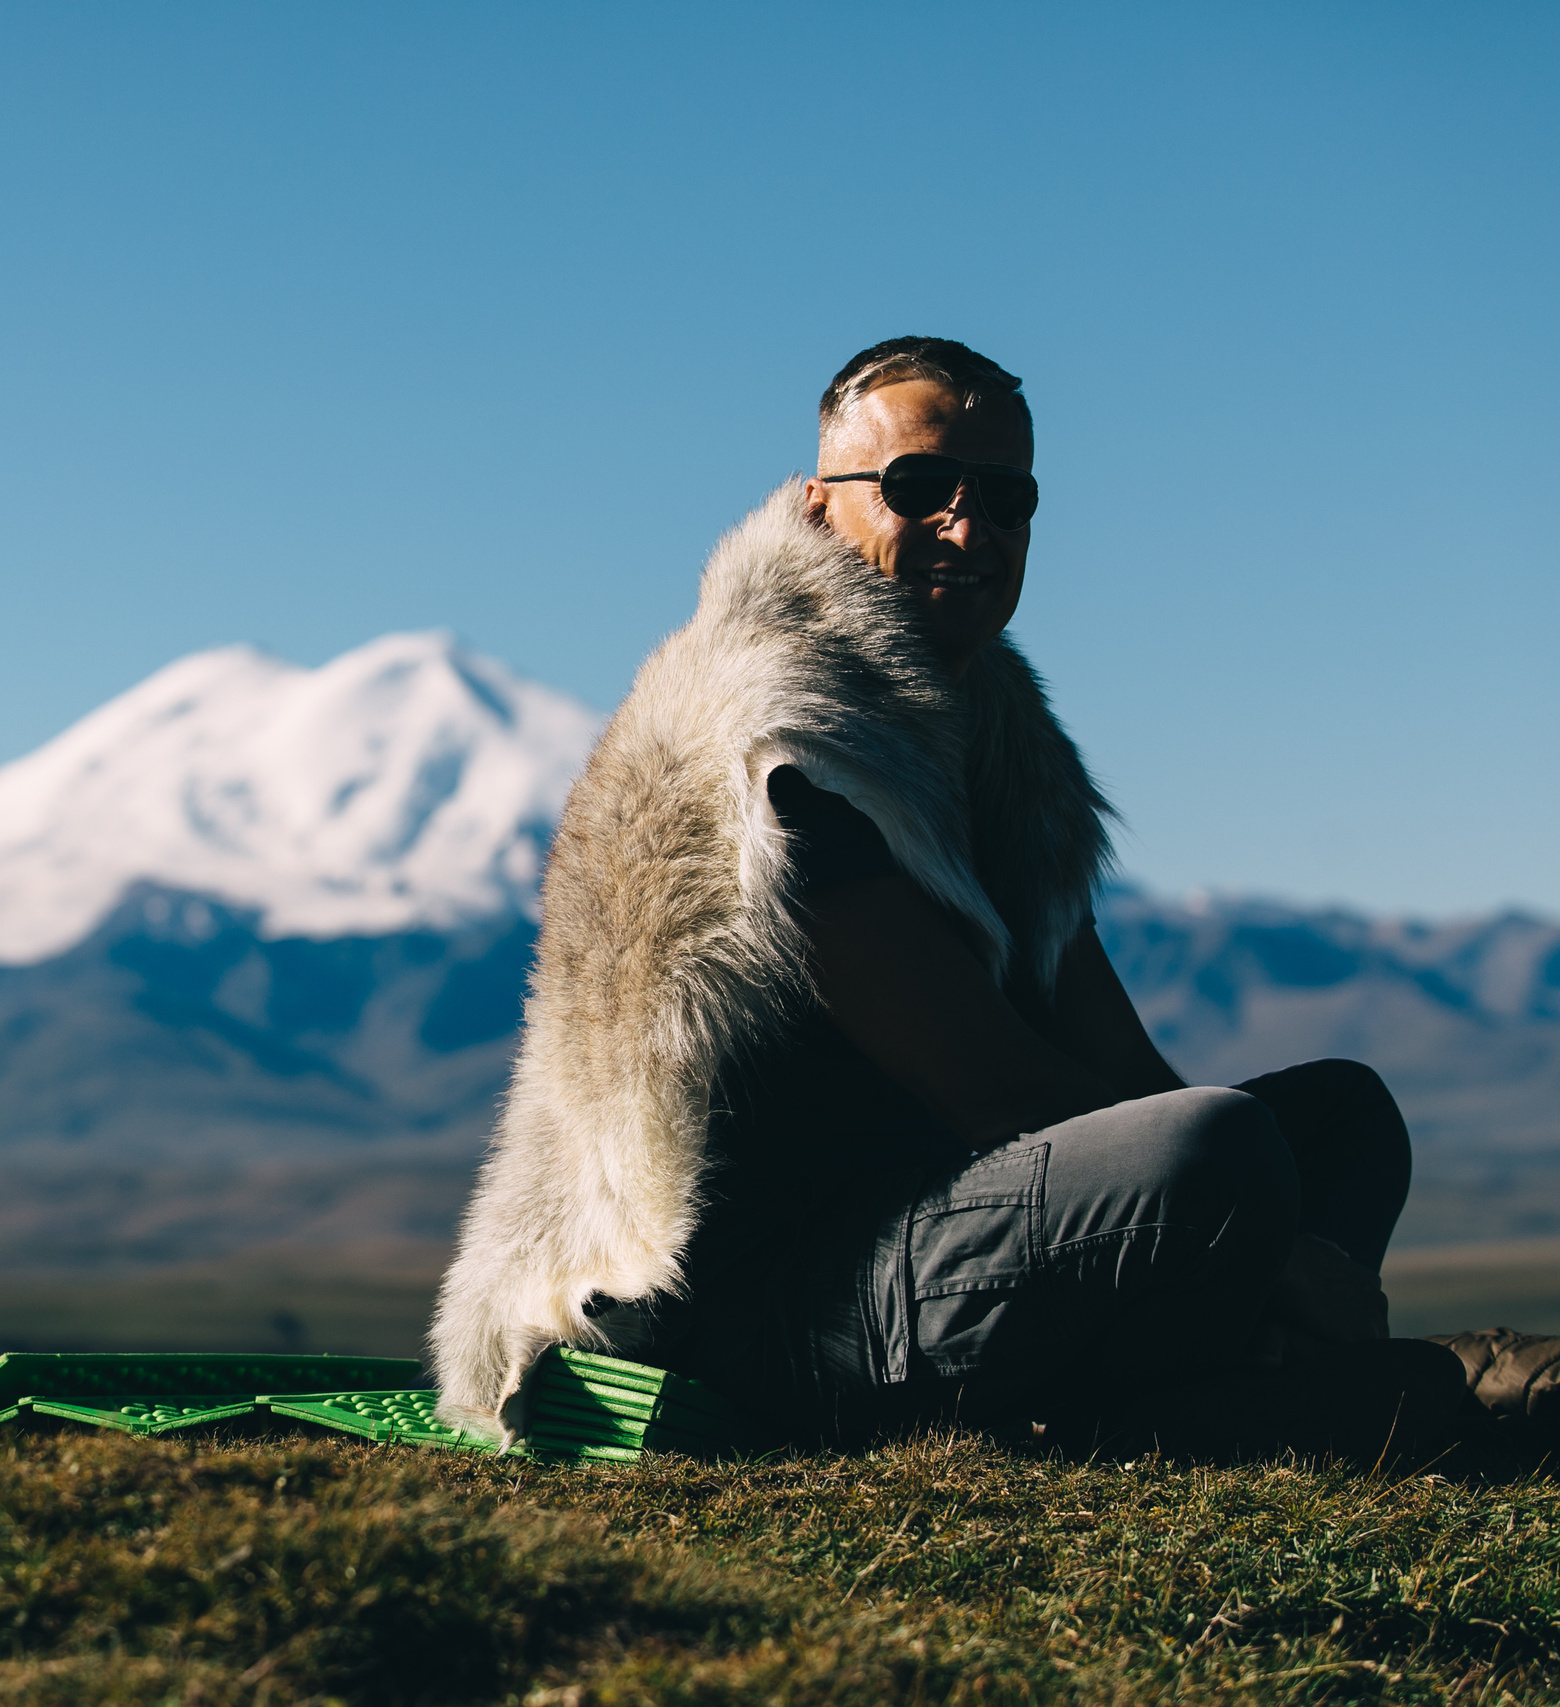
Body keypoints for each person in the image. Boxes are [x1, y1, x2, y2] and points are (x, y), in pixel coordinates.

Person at [429, 337, 1420, 1449]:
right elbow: (987, 1085)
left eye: (1005, 497)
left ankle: (1238, 1378)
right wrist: (1272, 1248)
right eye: (918, 486)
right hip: (767, 1300)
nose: (967, 526)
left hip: (950, 1221)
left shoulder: (999, 741)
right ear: (819, 508)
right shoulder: (770, 732)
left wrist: (1258, 1213)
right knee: (1214, 1152)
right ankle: (1258, 1385)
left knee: (1337, 1119)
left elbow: (1117, 1059)